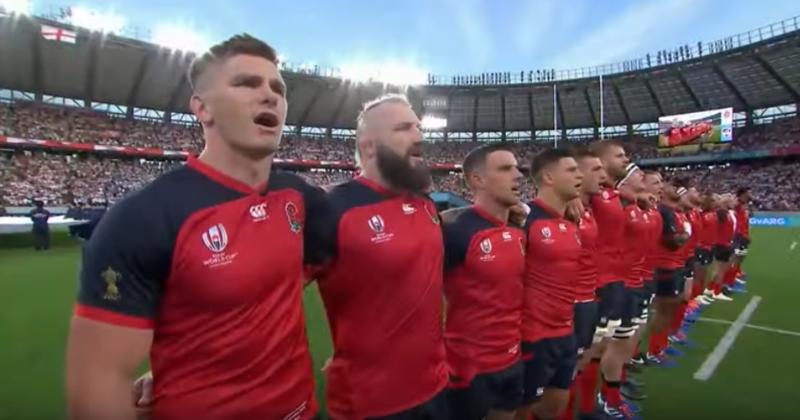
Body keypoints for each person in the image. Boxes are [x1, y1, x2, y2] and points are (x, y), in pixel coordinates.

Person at [66, 34, 323, 420]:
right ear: (202, 108)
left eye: (278, 88)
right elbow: (100, 382)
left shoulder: (298, 196)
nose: (270, 95)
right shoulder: (143, 217)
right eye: (247, 83)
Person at [307, 94, 450, 419]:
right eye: (404, 128)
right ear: (370, 147)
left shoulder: (426, 205)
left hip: (437, 387)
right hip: (370, 403)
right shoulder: (333, 209)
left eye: (418, 126)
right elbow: (274, 295)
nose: (419, 136)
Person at [443, 143, 526, 420]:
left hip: (513, 358)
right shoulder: (455, 231)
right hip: (468, 369)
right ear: (477, 180)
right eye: (505, 169)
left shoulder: (518, 228)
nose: (518, 175)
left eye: (517, 168)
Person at [517, 148, 583, 420]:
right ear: (549, 177)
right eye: (571, 170)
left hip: (566, 331)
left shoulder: (570, 221)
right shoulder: (524, 218)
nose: (579, 175)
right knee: (521, 410)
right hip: (532, 336)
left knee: (555, 406)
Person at [568, 148, 607, 419]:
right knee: (564, 373)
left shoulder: (592, 208)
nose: (603, 175)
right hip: (569, 303)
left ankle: (585, 408)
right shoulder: (561, 211)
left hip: (589, 297)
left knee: (585, 359)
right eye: (596, 170)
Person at [647, 178, 690, 365]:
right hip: (665, 265)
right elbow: (673, 242)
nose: (675, 189)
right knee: (663, 310)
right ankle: (654, 350)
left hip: (674, 265)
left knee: (670, 308)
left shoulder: (673, 212)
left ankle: (661, 344)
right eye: (671, 186)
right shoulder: (664, 211)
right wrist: (685, 235)